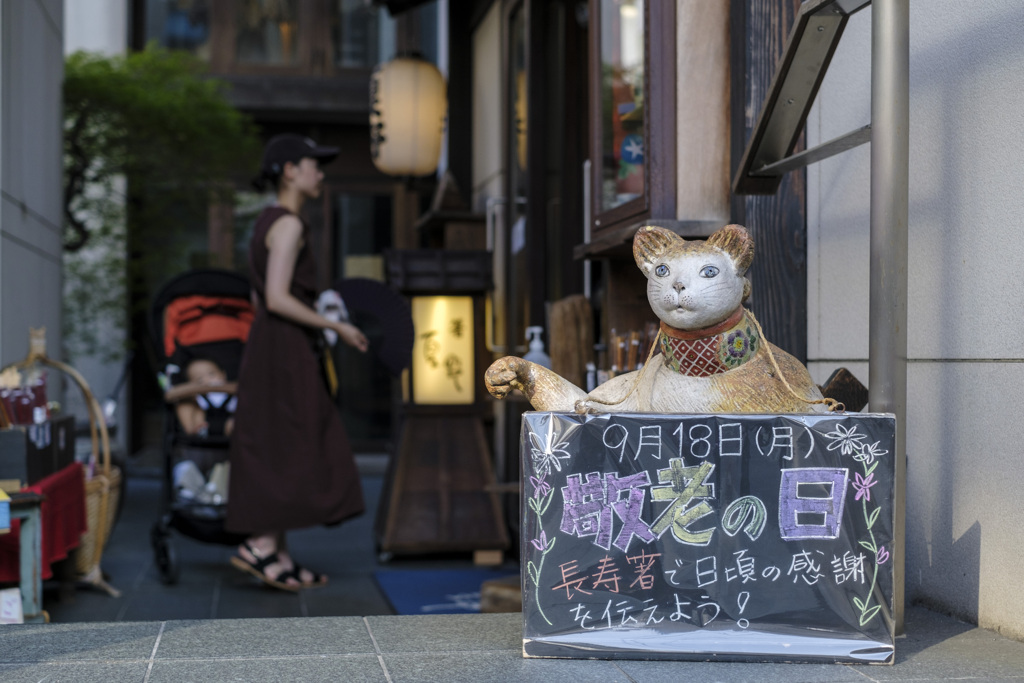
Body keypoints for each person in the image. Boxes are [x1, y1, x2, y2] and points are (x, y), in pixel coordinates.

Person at [226, 133, 369, 592]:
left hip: (269, 346)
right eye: (313, 164)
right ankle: (260, 546)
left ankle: (277, 553)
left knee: (280, 441)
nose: (319, 174)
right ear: (289, 170)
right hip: (285, 347)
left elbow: (257, 296)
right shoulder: (288, 224)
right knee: (300, 438)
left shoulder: (265, 222)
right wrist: (337, 327)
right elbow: (275, 297)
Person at [164, 357, 237, 437]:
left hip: (230, 420)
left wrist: (217, 387)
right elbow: (169, 395)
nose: (206, 380)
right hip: (203, 421)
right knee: (184, 403)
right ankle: (195, 430)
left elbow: (243, 388)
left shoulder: (231, 386)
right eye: (199, 379)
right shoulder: (196, 395)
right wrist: (198, 388)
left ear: (223, 374)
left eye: (211, 374)